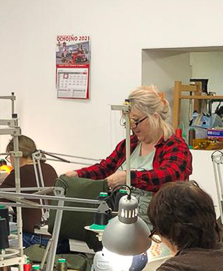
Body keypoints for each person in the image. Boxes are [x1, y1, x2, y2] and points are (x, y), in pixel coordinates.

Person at [64, 85, 192, 220]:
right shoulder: (130, 144)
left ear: (154, 117)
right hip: (120, 225)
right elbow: (105, 168)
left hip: (158, 228)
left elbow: (169, 176)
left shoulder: (175, 146)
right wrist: (78, 175)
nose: (132, 127)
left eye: (136, 121)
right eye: (128, 122)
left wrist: (128, 177)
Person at [0, 135, 58, 247]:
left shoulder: (18, 174)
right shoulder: (49, 168)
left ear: (15, 155)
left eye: (9, 156)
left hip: (35, 239)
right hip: (55, 237)